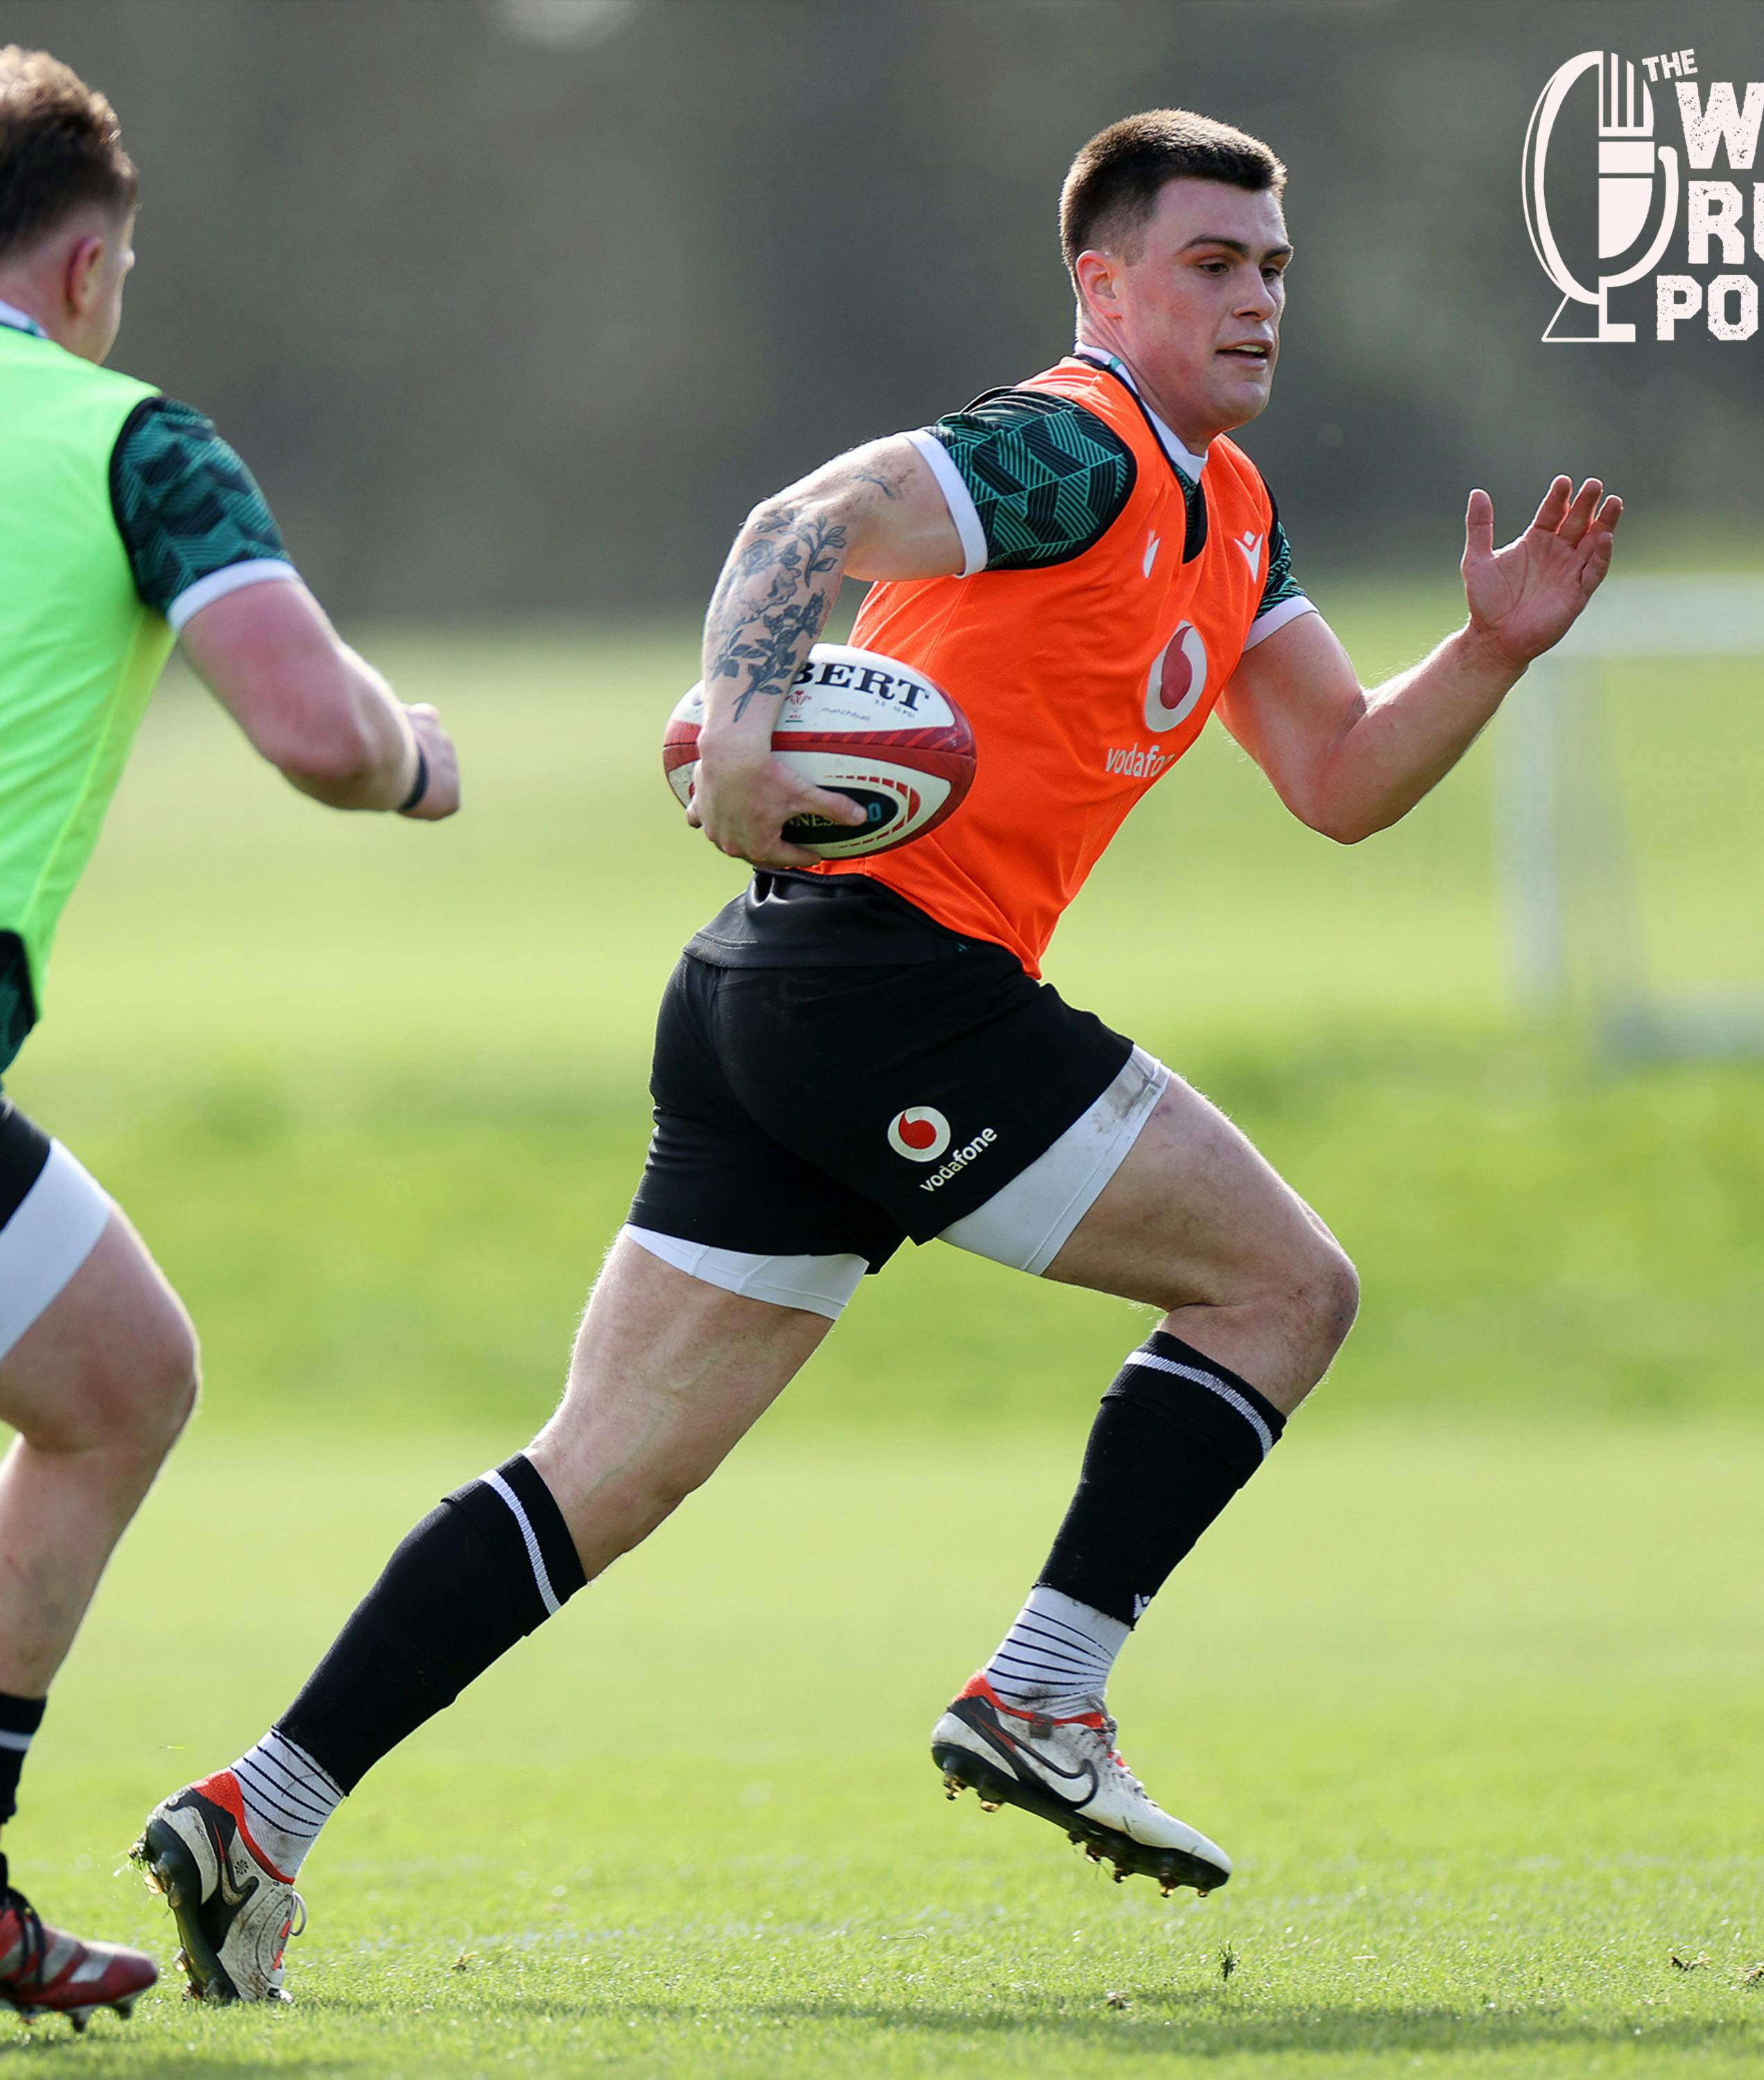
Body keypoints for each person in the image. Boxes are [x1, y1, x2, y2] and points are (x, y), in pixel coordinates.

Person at [139, 107, 1618, 2002]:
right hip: (891, 991)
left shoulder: (1233, 513)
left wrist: (1489, 655)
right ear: (1103, 285)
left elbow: (1335, 777)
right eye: (1210, 265)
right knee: (1285, 1289)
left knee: (603, 1474)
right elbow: (797, 528)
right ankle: (1045, 1692)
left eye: (1272, 268)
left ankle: (255, 1815)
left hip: (789, 999)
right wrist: (746, 733)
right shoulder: (1073, 443)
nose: (1256, 300)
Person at [0, 46, 460, 2026]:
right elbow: (311, 728)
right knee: (118, 1385)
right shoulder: (130, 442)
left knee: (115, 1369)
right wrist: (414, 756)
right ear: (88, 265)